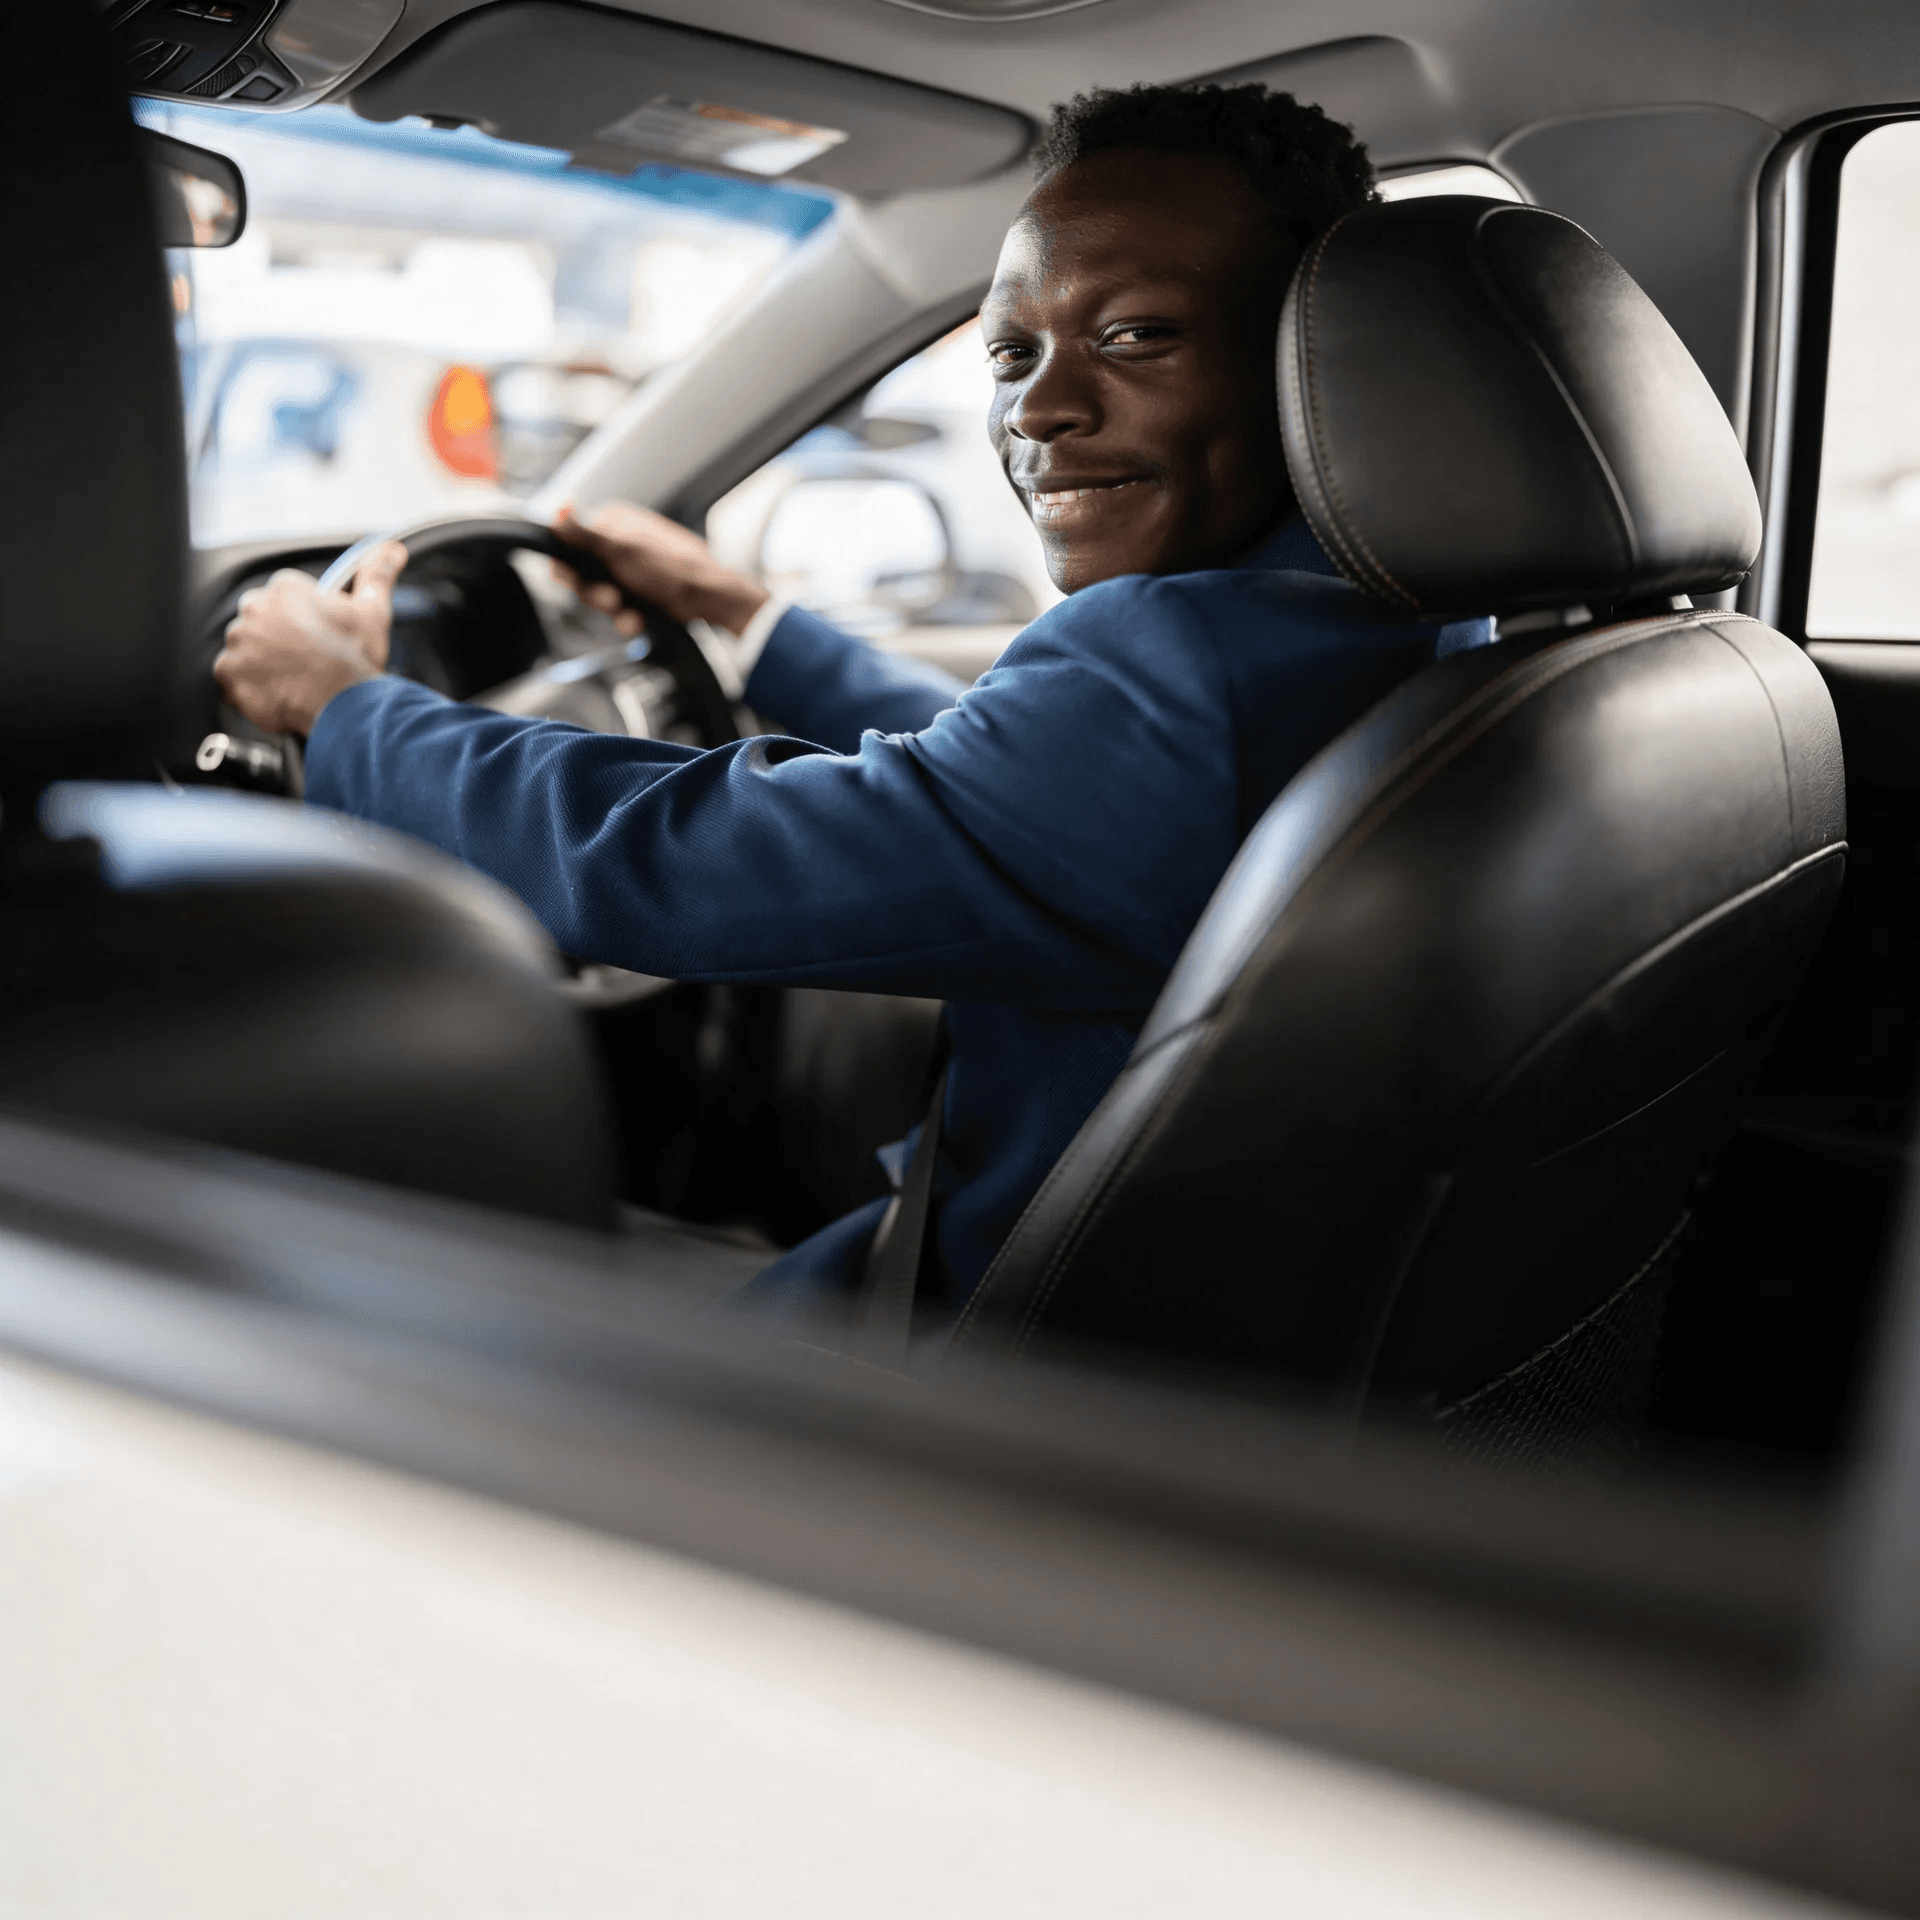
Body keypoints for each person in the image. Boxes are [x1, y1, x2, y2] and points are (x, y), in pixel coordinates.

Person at [214, 82, 1493, 1319]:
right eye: (1010, 350)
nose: (1039, 407)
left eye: (1136, 334)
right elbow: (1003, 787)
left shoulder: (1186, 667)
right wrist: (750, 625)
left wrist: (345, 706)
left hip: (1009, 1352)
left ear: (1310, 354)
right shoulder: (1419, 622)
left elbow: (687, 863)